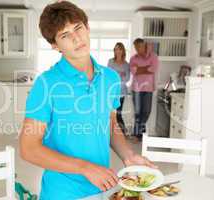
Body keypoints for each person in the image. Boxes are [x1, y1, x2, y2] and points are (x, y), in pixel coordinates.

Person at [19, 1, 156, 199]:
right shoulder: (46, 83)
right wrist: (85, 168)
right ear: (55, 45)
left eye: (78, 28)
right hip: (62, 193)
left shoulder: (110, 78)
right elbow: (29, 148)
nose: (76, 38)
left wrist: (128, 155)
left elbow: (110, 124)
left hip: (103, 189)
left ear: (87, 28)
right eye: (65, 35)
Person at [130, 38, 159, 141]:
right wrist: (146, 68)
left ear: (144, 45)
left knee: (146, 112)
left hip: (148, 88)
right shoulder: (133, 58)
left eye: (140, 46)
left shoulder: (153, 56)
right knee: (138, 112)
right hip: (136, 88)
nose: (138, 48)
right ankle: (137, 135)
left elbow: (153, 69)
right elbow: (134, 72)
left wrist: (140, 69)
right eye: (136, 47)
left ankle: (137, 133)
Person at [107, 42, 130, 135]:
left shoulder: (126, 64)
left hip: (121, 92)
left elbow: (127, 78)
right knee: (110, 113)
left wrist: (116, 76)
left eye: (119, 49)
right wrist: (120, 75)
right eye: (116, 49)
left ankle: (123, 132)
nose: (117, 51)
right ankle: (112, 133)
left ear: (122, 51)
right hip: (112, 91)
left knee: (118, 113)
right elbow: (109, 76)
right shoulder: (110, 61)